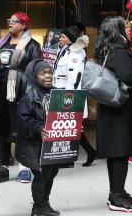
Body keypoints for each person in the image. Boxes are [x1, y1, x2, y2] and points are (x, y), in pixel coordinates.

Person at [95, 16, 132, 213]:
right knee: (120, 153)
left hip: (112, 110)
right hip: (120, 112)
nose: (129, 28)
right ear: (117, 30)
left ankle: (117, 192)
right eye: (125, 26)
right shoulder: (119, 51)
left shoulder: (107, 49)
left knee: (117, 154)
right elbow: (128, 77)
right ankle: (116, 196)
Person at [0, 12, 41, 181]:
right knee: (3, 126)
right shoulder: (2, 42)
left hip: (21, 90)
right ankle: (4, 165)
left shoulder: (32, 45)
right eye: (9, 20)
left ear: (24, 25)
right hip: (1, 89)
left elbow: (35, 68)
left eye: (14, 21)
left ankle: (24, 166)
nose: (10, 23)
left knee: (21, 126)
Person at [16, 59, 63, 216]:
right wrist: (39, 128)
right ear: (33, 76)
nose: (48, 76)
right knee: (41, 174)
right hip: (35, 145)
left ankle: (44, 202)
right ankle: (38, 207)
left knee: (51, 174)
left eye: (50, 72)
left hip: (52, 144)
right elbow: (24, 120)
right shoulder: (28, 96)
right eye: (42, 73)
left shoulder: (57, 93)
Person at [52, 24, 96, 167]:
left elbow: (74, 77)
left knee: (72, 127)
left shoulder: (76, 53)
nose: (61, 38)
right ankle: (80, 155)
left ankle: (71, 158)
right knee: (69, 127)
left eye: (63, 36)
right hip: (62, 91)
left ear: (70, 39)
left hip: (69, 94)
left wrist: (70, 97)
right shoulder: (67, 50)